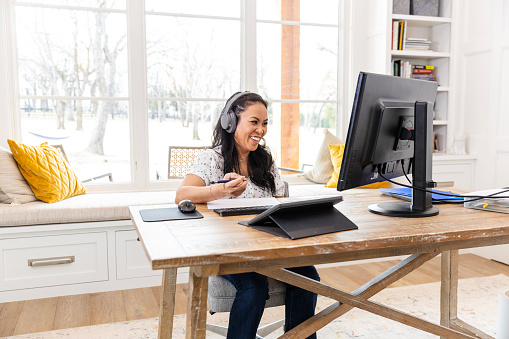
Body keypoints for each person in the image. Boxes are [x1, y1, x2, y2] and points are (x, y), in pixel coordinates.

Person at [175, 91, 319, 339]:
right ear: (230, 123)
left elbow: (280, 202)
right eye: (254, 122)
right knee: (253, 286)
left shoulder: (266, 160)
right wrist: (220, 189)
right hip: (225, 247)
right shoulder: (212, 159)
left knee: (309, 277)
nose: (261, 130)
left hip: (268, 244)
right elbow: (181, 195)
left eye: (265, 123)